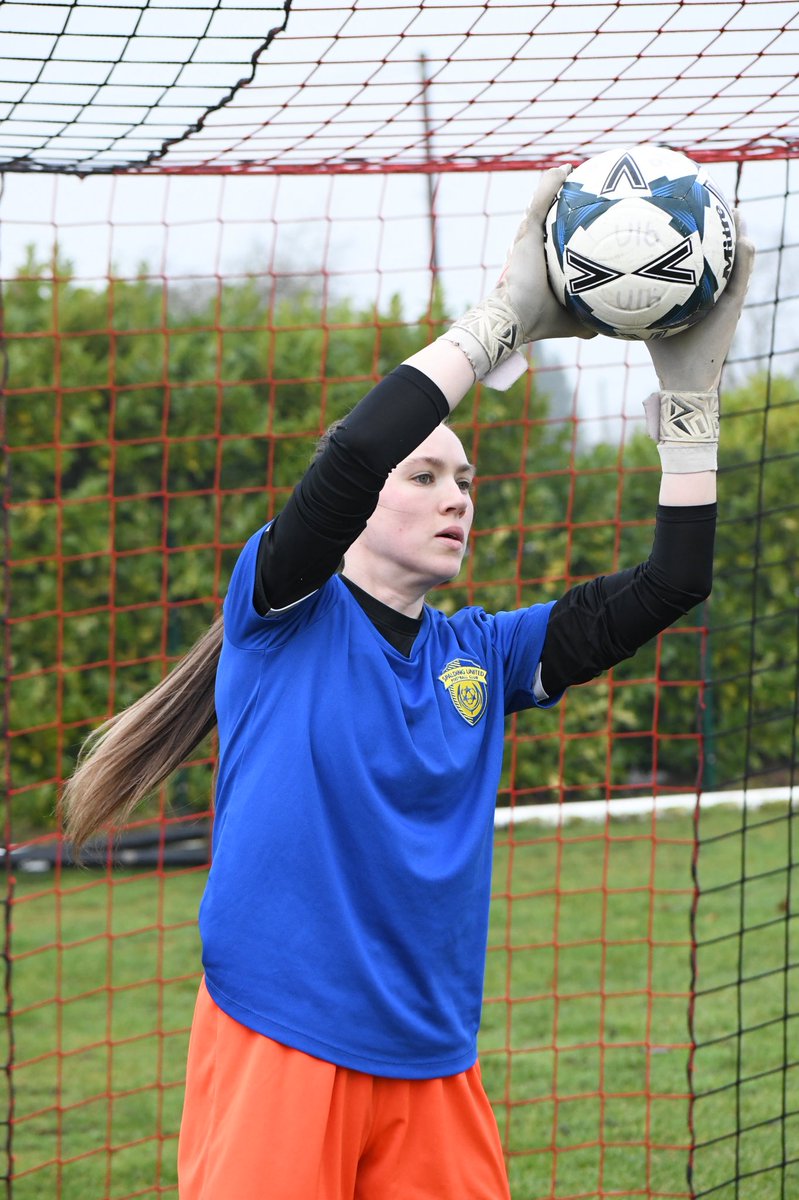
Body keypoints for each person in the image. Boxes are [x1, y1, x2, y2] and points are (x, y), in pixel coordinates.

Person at [62, 167, 755, 1200]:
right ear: (362, 509)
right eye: (425, 476)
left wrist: (689, 404)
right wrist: (497, 324)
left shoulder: (481, 656)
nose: (454, 498)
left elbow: (672, 583)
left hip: (430, 1059)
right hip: (278, 1037)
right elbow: (349, 455)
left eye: (466, 481)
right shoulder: (281, 611)